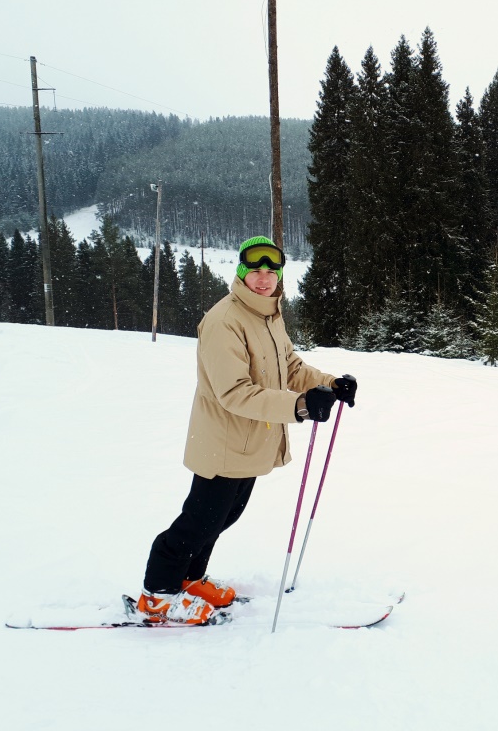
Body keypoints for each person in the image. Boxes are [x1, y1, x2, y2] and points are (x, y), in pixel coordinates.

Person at [137, 235, 357, 625]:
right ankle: (157, 595)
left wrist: (329, 384)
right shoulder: (225, 320)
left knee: (223, 517)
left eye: (271, 271)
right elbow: (235, 393)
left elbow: (288, 367)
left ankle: (190, 578)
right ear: (241, 272)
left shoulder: (268, 316)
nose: (263, 278)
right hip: (223, 442)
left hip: (250, 442)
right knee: (199, 521)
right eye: (254, 270)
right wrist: (300, 406)